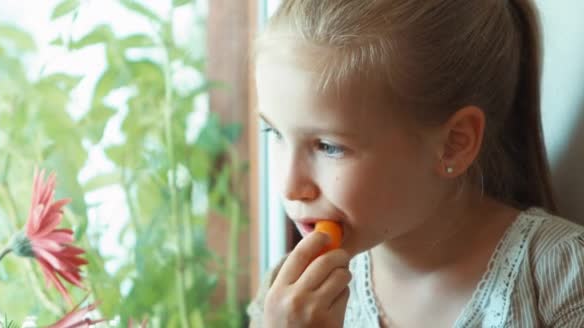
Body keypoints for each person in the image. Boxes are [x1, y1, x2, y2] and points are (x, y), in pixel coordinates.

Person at [248, 0, 584, 327]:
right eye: (273, 132)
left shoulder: (562, 281)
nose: (290, 186)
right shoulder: (285, 302)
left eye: (328, 147)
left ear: (454, 144)